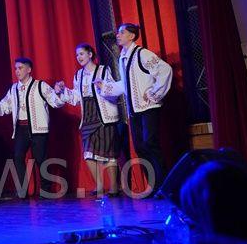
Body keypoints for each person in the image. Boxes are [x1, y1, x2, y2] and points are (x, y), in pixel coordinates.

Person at [100, 23, 172, 196]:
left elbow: (165, 70)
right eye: (118, 33)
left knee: (150, 144)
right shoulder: (123, 58)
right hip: (134, 111)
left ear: (132, 36)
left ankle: (164, 186)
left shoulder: (142, 54)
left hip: (148, 108)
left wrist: (154, 92)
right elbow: (126, 85)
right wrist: (105, 87)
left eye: (122, 32)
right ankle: (153, 186)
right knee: (140, 147)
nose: (118, 35)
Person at [0, 57, 65, 198]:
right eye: (16, 68)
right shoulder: (14, 89)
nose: (17, 71)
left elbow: (55, 102)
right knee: (18, 157)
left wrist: (58, 91)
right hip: (21, 129)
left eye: (20, 68)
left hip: (38, 128)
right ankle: (22, 191)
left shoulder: (40, 85)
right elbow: (4, 107)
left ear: (29, 69)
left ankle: (46, 190)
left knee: (40, 159)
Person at [54, 43, 120, 197]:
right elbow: (76, 98)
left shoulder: (103, 70)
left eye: (82, 54)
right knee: (88, 152)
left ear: (90, 54)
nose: (79, 57)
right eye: (77, 55)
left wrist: (103, 86)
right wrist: (63, 91)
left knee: (108, 152)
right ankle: (99, 185)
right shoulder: (78, 75)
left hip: (103, 114)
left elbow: (114, 91)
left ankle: (114, 187)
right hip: (88, 116)